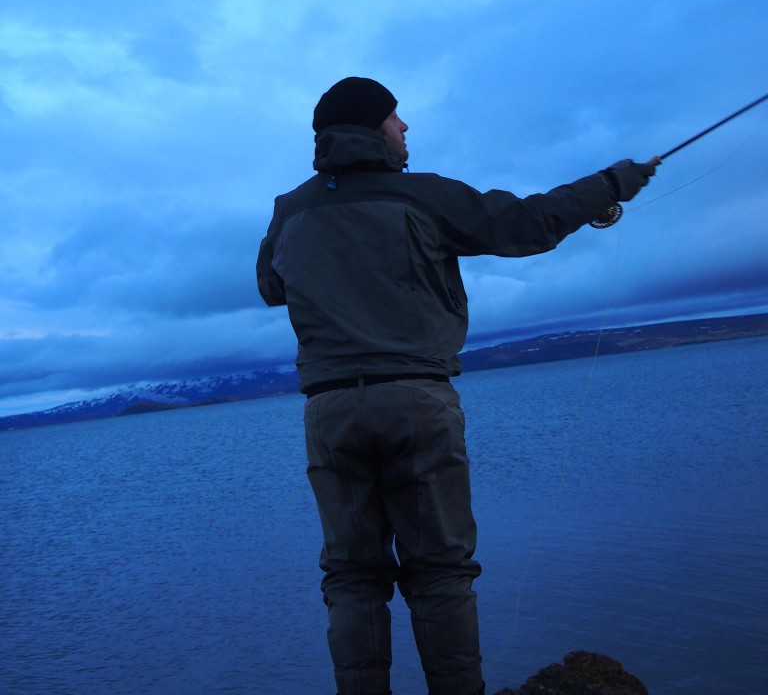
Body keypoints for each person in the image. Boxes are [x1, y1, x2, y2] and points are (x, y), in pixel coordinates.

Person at [256, 77, 658, 695]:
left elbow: (270, 286)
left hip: (330, 412)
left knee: (353, 576)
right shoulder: (425, 196)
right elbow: (530, 224)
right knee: (440, 571)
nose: (406, 128)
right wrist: (609, 185)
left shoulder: (289, 211)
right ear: (372, 129)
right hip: (417, 401)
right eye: (396, 118)